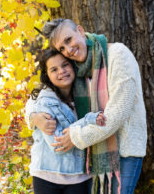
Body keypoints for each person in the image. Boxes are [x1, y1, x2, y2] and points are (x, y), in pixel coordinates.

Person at [29, 18, 148, 194]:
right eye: (61, 48)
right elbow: (41, 96)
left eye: (69, 40)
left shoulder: (117, 55)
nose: (68, 50)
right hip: (95, 154)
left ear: (80, 31)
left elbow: (117, 114)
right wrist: (33, 117)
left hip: (125, 151)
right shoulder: (75, 67)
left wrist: (76, 137)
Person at [24, 49, 106, 194]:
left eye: (65, 65)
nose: (61, 71)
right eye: (54, 69)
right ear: (47, 76)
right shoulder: (46, 101)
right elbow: (58, 144)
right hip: (48, 175)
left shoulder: (86, 94)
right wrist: (89, 120)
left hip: (79, 175)